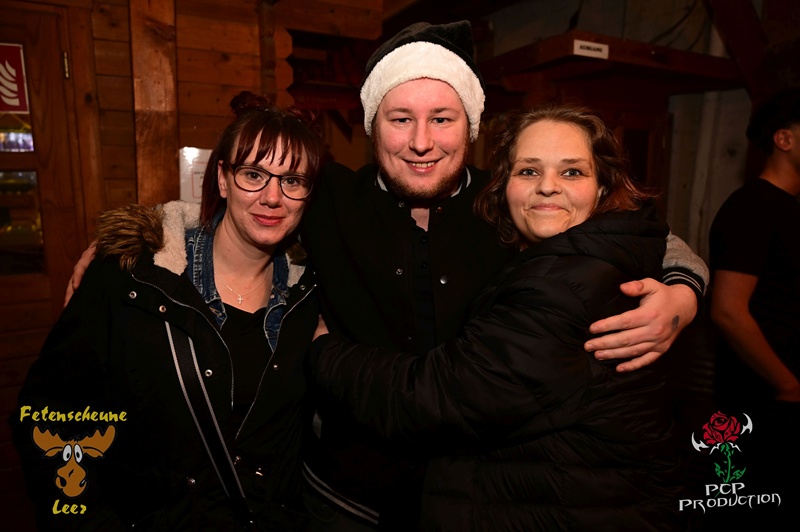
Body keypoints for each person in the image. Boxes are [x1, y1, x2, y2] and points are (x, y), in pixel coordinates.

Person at [63, 21, 708, 531]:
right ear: (373, 126)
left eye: (442, 119)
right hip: (341, 499)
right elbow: (243, 202)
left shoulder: (510, 200)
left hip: (476, 499)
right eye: (401, 119)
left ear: (471, 129)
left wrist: (684, 288)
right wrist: (143, 233)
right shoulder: (330, 200)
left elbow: (625, 229)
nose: (421, 141)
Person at [309, 103, 685, 531]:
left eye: (572, 172)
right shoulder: (576, 252)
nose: (548, 187)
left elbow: (435, 399)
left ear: (603, 187)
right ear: (503, 183)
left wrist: (322, 350)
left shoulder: (563, 286)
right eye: (529, 171)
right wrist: (687, 286)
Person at [11, 92, 323, 530]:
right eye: (253, 174)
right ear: (223, 178)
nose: (273, 197)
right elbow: (49, 412)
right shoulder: (132, 279)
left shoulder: (310, 294)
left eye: (292, 180)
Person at [709, 87, 800, 517]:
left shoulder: (789, 209)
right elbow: (728, 311)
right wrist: (787, 384)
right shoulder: (752, 206)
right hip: (760, 398)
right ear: (784, 139)